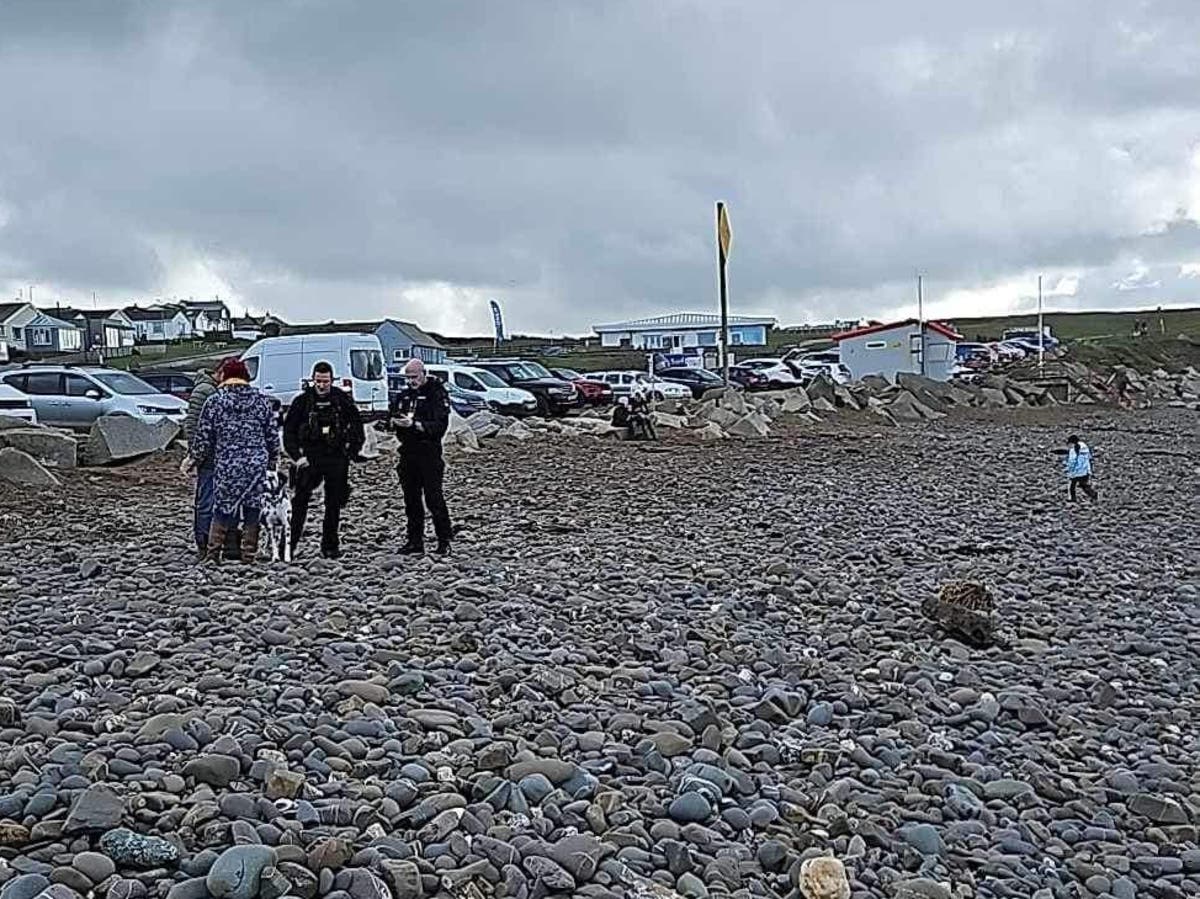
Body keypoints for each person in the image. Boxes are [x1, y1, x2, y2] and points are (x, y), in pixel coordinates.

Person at [187, 358, 279, 562]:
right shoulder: (261, 401)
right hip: (256, 464)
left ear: (225, 377)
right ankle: (248, 554)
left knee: (222, 508)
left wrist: (194, 458)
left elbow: (203, 436)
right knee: (252, 509)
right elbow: (272, 435)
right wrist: (273, 460)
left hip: (227, 464)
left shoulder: (215, 401)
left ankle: (212, 554)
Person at [283, 361, 365, 559]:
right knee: (300, 501)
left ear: (332, 380)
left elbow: (357, 426)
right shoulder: (302, 402)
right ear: (313, 380)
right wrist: (297, 457)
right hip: (309, 458)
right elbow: (288, 433)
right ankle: (289, 545)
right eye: (318, 381)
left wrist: (352, 451)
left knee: (334, 503)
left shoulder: (341, 400)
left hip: (336, 456)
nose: (321, 385)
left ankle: (330, 545)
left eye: (325, 381)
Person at [390, 358, 453, 555]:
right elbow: (392, 414)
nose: (411, 381)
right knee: (411, 500)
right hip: (408, 452)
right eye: (408, 377)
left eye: (414, 377)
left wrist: (416, 425)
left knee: (434, 498)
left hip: (430, 453)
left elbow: (440, 426)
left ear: (423, 373)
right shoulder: (404, 395)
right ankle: (414, 540)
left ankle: (444, 541)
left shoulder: (436, 393)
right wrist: (394, 422)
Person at [182, 359, 241, 560]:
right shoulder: (204, 391)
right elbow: (194, 426)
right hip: (209, 459)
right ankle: (205, 545)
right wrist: (195, 455)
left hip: (226, 458)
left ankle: (227, 544)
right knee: (207, 503)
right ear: (220, 373)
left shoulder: (219, 392)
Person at [1065, 435, 1098, 502]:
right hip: (1085, 470)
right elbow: (1089, 458)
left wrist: (1070, 469)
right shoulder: (1085, 447)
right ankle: (1093, 494)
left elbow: (1073, 460)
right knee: (1083, 485)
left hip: (1077, 470)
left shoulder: (1074, 448)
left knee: (1072, 485)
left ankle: (1072, 498)